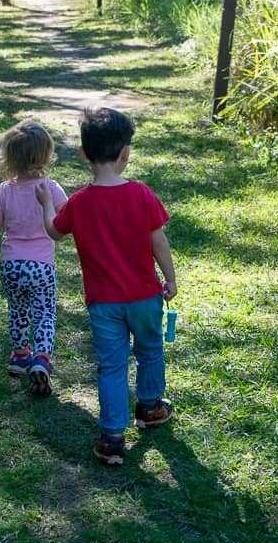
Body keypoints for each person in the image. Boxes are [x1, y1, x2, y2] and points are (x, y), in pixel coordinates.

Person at [36, 107, 177, 465]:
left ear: (84, 154)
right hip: (145, 298)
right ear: (125, 152)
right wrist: (170, 278)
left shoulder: (79, 203)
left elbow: (53, 230)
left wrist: (46, 203)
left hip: (103, 305)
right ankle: (150, 408)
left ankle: (113, 438)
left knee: (112, 366)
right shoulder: (142, 195)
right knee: (150, 351)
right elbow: (158, 241)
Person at [0, 120, 67, 396]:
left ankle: (19, 356)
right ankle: (40, 358)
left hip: (11, 265)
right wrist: (49, 207)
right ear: (46, 155)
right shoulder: (50, 188)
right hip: (41, 266)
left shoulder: (4, 190)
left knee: (18, 310)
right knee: (45, 313)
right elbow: (65, 222)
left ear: (9, 157)